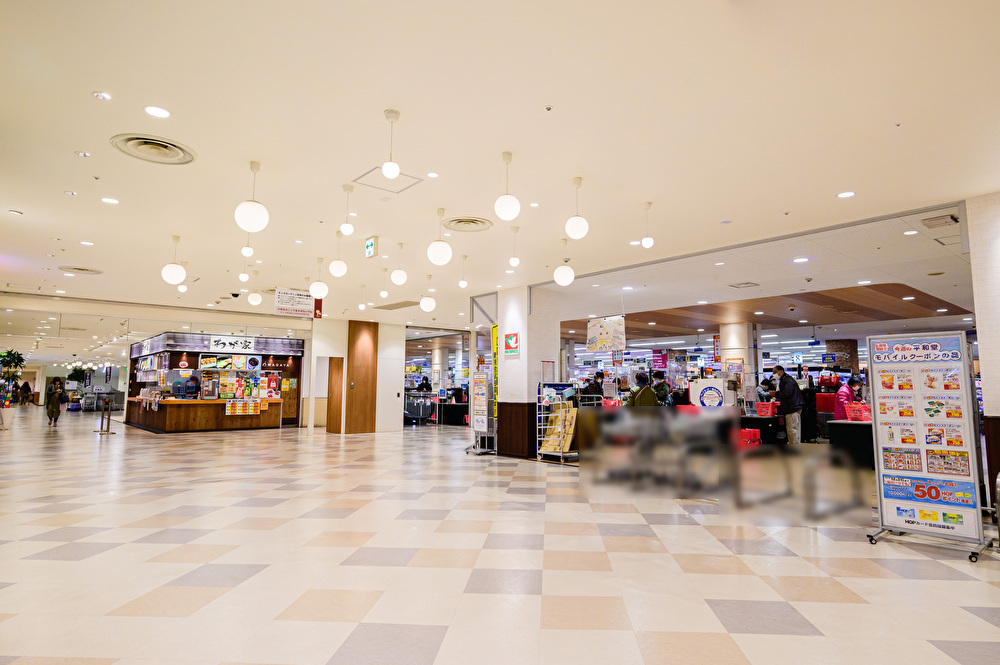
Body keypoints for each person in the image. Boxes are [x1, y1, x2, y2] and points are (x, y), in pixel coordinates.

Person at [769, 365, 805, 444]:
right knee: (793, 430)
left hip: (792, 408)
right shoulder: (786, 379)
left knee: (792, 431)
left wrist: (776, 394)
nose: (774, 374)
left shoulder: (787, 380)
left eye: (775, 372)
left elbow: (787, 393)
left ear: (781, 371)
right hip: (794, 407)